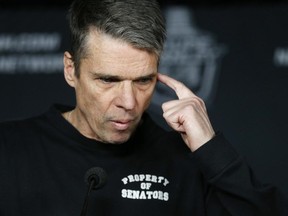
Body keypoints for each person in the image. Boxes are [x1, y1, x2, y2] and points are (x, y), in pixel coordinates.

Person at [0, 0, 286, 215]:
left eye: (143, 80)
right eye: (108, 80)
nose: (129, 102)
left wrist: (212, 150)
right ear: (70, 69)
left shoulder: (186, 162)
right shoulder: (10, 148)